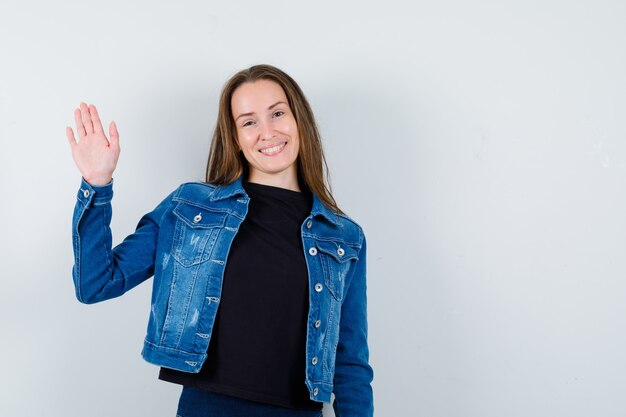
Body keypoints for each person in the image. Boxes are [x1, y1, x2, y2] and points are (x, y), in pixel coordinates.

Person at [67, 64, 373, 417]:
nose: (267, 132)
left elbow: (350, 362)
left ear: (298, 119)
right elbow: (95, 283)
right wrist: (97, 184)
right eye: (249, 122)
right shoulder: (189, 207)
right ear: (236, 137)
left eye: (277, 113)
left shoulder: (343, 238)